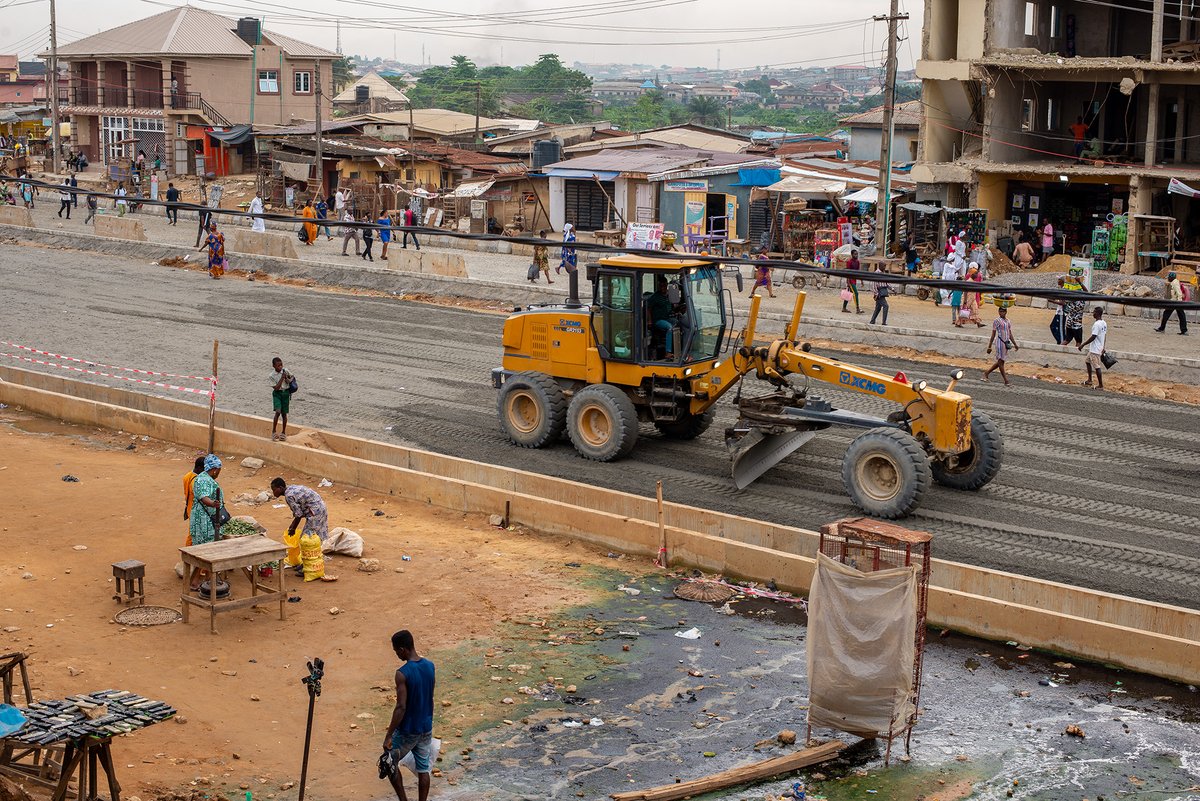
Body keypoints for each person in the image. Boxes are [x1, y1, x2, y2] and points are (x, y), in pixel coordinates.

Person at [383, 630, 435, 801]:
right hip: (426, 727)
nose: (397, 654)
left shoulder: (402, 673)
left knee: (388, 762)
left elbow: (401, 707)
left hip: (408, 730)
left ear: (403, 649)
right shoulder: (430, 666)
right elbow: (429, 696)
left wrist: (389, 735)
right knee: (423, 769)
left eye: (396, 651)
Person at [271, 478, 329, 551]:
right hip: (322, 506)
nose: (273, 493)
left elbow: (298, 514)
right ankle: (321, 552)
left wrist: (293, 528)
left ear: (281, 488)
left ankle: (309, 556)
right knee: (320, 532)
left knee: (307, 537)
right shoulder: (291, 488)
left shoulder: (289, 496)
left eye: (274, 490)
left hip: (315, 511)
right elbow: (298, 512)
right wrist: (292, 525)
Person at [189, 454, 225, 548]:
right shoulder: (204, 480)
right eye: (219, 470)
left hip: (207, 516)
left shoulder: (203, 477)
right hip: (205, 519)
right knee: (207, 544)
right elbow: (203, 497)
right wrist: (213, 503)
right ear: (214, 470)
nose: (219, 473)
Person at [983, 305, 1018, 385]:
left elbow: (1010, 333)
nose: (1001, 313)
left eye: (1002, 311)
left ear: (1006, 312)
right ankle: (1006, 380)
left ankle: (986, 373)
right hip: (999, 342)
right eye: (1000, 311)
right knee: (1001, 361)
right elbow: (993, 334)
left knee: (1001, 361)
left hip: (1006, 343)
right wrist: (989, 346)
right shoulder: (996, 321)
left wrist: (1015, 344)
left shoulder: (1008, 321)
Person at [1079, 306, 1108, 390]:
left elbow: (1093, 337)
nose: (1093, 314)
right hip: (1097, 348)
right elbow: (1104, 335)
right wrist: (1103, 346)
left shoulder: (1097, 324)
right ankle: (1089, 380)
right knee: (1087, 361)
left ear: (1097, 313)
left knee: (1097, 366)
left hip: (1095, 349)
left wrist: (1083, 344)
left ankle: (1100, 386)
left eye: (1094, 312)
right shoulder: (1104, 323)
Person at [648, 275, 676, 358]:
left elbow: (672, 307)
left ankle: (683, 348)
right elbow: (648, 309)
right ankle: (668, 352)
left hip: (667, 318)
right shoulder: (655, 297)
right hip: (658, 320)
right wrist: (649, 321)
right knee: (669, 327)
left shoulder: (669, 295)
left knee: (680, 322)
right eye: (661, 286)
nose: (663, 288)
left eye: (664, 286)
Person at [1058, 275, 1086, 347]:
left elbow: (1062, 299)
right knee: (1078, 342)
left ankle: (1059, 348)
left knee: (1067, 340)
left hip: (1069, 321)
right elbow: (1086, 292)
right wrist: (1079, 282)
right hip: (1077, 323)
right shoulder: (1081, 301)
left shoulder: (1069, 300)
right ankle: (1077, 354)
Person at [842, 249, 862, 313]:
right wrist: (847, 281)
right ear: (852, 255)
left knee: (849, 294)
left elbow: (858, 271)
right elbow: (847, 272)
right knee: (855, 293)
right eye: (855, 254)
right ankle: (857, 308)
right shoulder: (849, 262)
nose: (856, 255)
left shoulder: (858, 262)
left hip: (854, 279)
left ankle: (844, 308)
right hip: (850, 280)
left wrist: (861, 280)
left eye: (857, 254)